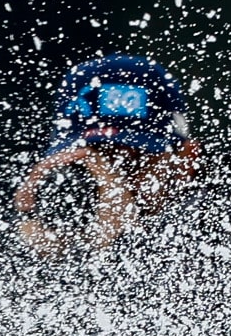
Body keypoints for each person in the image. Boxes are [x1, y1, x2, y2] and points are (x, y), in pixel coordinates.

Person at [14, 54, 202, 256]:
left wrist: (117, 238)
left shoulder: (222, 229)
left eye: (128, 163)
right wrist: (31, 225)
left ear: (186, 161)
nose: (103, 184)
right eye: (81, 167)